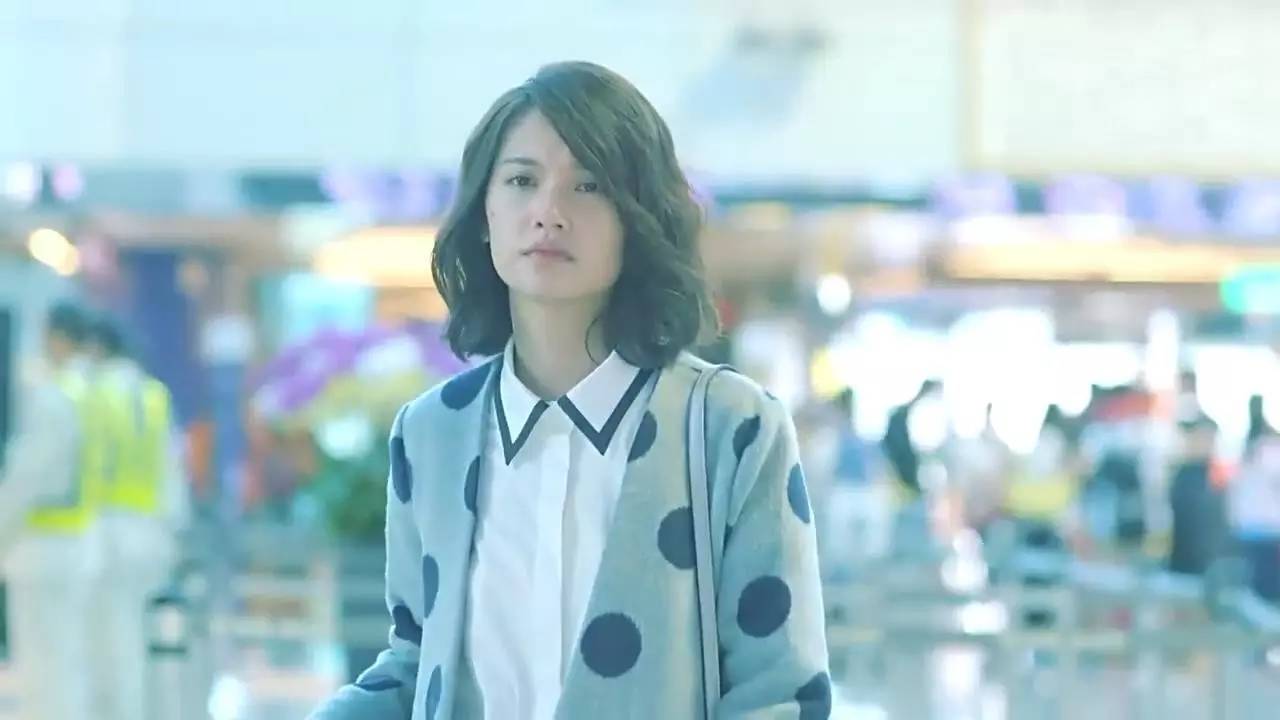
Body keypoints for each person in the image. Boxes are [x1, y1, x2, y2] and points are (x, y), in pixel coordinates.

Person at [309, 62, 830, 719]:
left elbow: (780, 692)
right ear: (485, 212)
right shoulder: (431, 434)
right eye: (522, 181)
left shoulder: (730, 428)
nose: (548, 213)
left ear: (638, 218)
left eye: (589, 186)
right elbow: (417, 664)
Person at [0, 301, 105, 720]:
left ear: (57, 338)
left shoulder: (54, 398)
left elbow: (27, 480)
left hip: (42, 551)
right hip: (77, 543)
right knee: (65, 662)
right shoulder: (91, 394)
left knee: (43, 669)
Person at [83, 313, 187, 720]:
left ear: (97, 347)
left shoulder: (96, 393)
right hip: (152, 533)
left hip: (109, 533)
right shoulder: (154, 396)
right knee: (144, 641)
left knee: (113, 642)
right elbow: (172, 470)